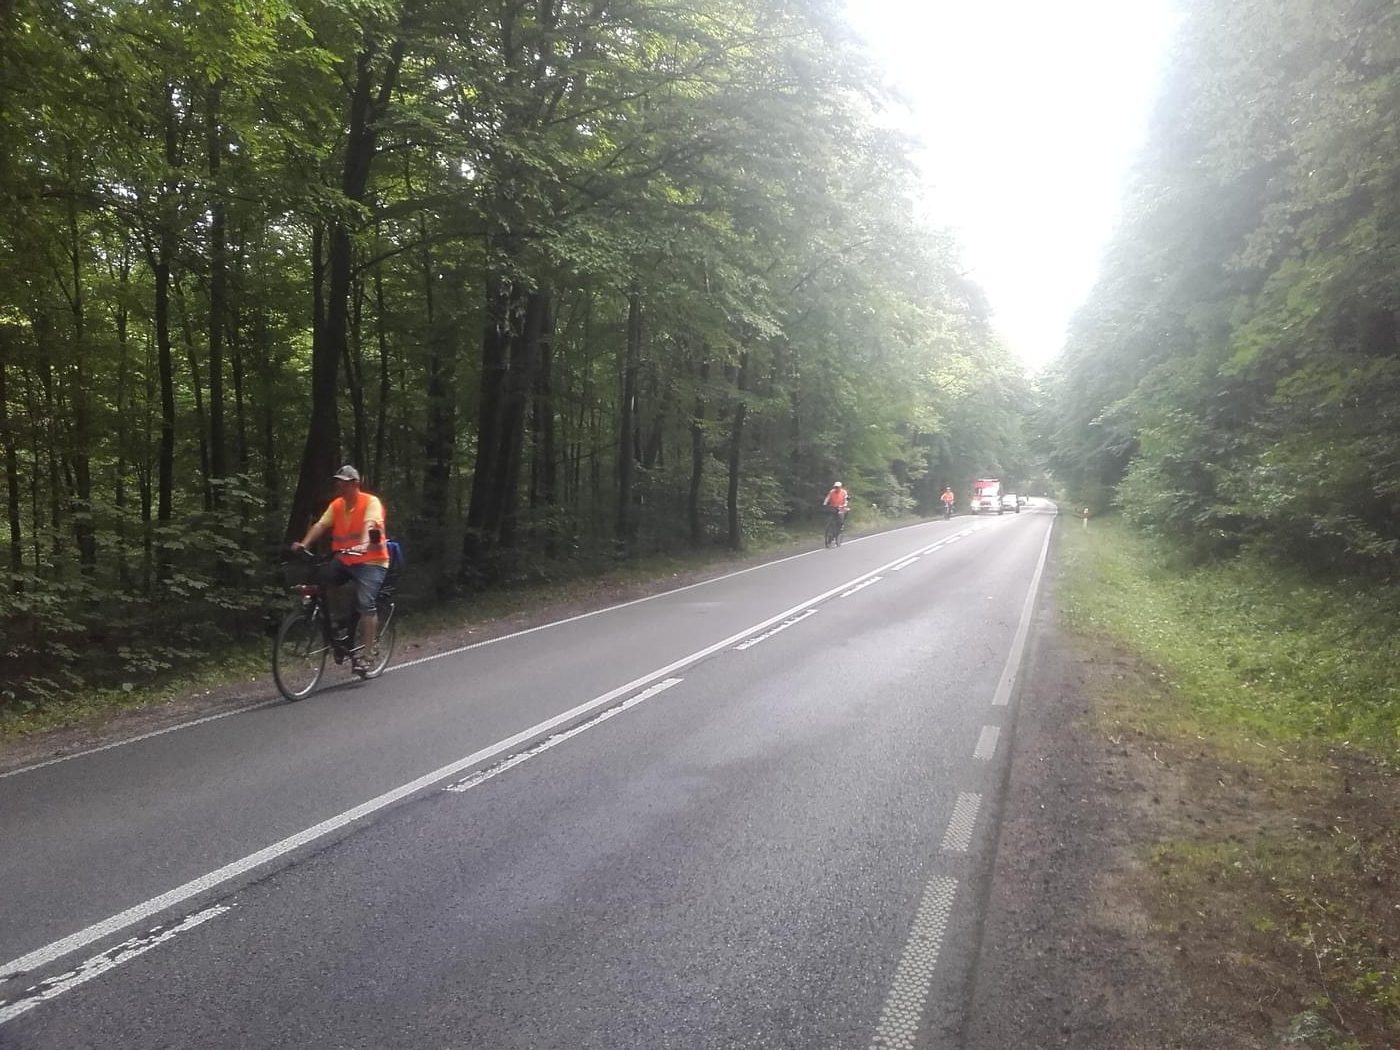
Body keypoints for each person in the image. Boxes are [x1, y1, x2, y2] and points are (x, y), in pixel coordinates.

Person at [291, 465, 389, 675]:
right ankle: (337, 625)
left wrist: (364, 544)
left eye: (344, 483)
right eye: (338, 482)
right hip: (345, 559)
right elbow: (320, 525)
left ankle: (368, 655)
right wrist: (304, 544)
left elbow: (370, 523)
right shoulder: (337, 505)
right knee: (321, 580)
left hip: (372, 561)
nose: (340, 486)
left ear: (355, 484)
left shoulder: (370, 502)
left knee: (366, 603)